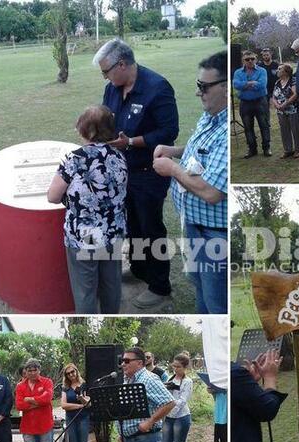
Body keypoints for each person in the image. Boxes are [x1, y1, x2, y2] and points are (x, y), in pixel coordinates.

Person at [95, 38, 179, 309]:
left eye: (106, 71)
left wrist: (131, 142)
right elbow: (107, 119)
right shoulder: (112, 88)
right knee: (131, 224)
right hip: (122, 171)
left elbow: (168, 132)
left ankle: (160, 286)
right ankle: (140, 269)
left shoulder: (157, 88)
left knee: (150, 227)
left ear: (122, 65)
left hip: (149, 171)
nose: (105, 77)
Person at [153, 51, 228, 314]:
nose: (198, 93)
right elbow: (200, 152)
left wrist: (172, 168)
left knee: (216, 304)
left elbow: (211, 192)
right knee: (202, 292)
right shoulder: (211, 115)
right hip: (196, 228)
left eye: (203, 87)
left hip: (214, 235)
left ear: (226, 87)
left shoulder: (226, 129)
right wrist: (175, 151)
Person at [47, 105, 127, 313]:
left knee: (85, 290)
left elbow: (52, 196)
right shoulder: (119, 156)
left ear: (87, 130)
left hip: (83, 238)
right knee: (112, 285)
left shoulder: (74, 159)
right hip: (113, 234)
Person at [118, 347, 176, 442]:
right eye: (122, 361)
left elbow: (169, 402)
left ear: (139, 363)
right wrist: (121, 432)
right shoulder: (127, 380)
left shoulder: (149, 379)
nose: (123, 364)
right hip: (129, 439)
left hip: (145, 438)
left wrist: (151, 421)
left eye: (126, 361)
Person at [230, 350, 287, 442]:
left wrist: (248, 384)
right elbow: (267, 410)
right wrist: (270, 378)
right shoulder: (233, 373)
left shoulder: (227, 373)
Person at [162, 354, 193, 442]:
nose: (175, 369)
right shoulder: (170, 378)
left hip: (181, 417)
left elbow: (182, 401)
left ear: (185, 367)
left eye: (178, 367)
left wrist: (168, 409)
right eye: (173, 366)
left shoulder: (188, 381)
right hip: (169, 417)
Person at [233, 50, 271, 158]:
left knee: (264, 125)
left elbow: (262, 85)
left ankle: (266, 148)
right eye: (247, 59)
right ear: (243, 61)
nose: (250, 61)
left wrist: (244, 85)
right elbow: (236, 85)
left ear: (256, 59)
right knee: (248, 127)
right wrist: (251, 83)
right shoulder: (238, 72)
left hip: (260, 101)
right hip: (245, 103)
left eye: (252, 59)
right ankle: (252, 149)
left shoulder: (262, 71)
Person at [60, 363, 91, 442]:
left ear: (76, 371)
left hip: (83, 418)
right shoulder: (65, 388)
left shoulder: (85, 385)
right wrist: (79, 405)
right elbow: (63, 405)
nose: (71, 375)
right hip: (71, 419)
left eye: (72, 372)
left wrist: (83, 400)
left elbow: (89, 404)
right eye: (68, 374)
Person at [271, 63, 299, 158]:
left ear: (286, 72)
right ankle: (288, 150)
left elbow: (295, 94)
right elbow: (274, 96)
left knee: (295, 129)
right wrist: (276, 105)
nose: (277, 70)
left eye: (280, 69)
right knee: (284, 130)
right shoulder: (277, 82)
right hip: (281, 111)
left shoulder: (293, 81)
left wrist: (285, 104)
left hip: (293, 110)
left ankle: (298, 150)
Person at [257, 48, 279, 128]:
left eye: (267, 55)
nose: (265, 56)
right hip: (264, 90)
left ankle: (282, 121)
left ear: (270, 54)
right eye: (264, 55)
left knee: (279, 105)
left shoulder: (276, 65)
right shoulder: (259, 66)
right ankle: (267, 123)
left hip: (276, 89)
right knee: (265, 107)